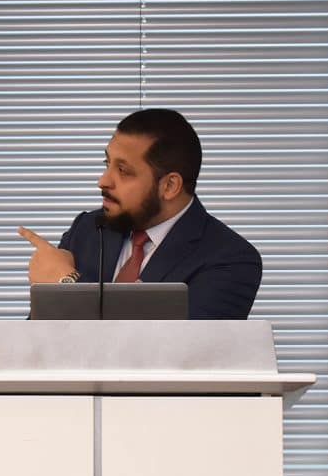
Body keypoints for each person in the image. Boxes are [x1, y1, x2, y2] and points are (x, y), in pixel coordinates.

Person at [18, 108, 262, 320]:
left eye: (123, 171)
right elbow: (37, 343)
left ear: (169, 186)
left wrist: (67, 284)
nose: (103, 180)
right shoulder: (87, 230)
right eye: (107, 164)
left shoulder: (230, 259)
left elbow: (174, 350)